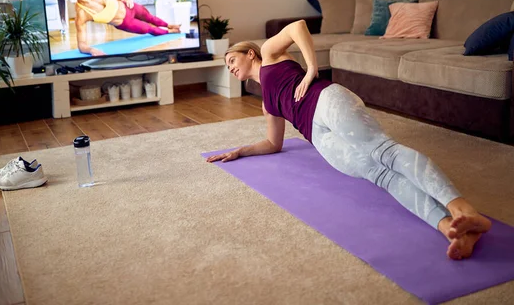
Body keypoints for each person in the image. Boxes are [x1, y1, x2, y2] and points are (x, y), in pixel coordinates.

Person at [206, 19, 492, 260]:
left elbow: (298, 26)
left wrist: (311, 70)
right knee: (381, 176)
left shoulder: (269, 53)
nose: (230, 68)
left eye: (232, 60)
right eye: (227, 67)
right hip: (317, 136)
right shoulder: (266, 104)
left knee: (385, 152)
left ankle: (463, 210)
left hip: (324, 101)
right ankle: (452, 230)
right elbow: (273, 143)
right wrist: (239, 151)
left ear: (249, 54)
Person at [54, 0, 181, 56]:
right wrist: (91, 50)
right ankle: (170, 32)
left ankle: (169, 25)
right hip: (126, 22)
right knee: (148, 28)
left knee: (149, 17)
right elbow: (81, 45)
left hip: (128, 6)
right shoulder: (82, 14)